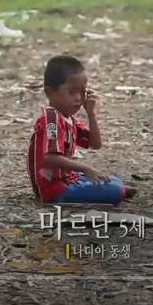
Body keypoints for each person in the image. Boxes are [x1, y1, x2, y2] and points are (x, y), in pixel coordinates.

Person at [27, 55, 137, 205]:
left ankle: (115, 188)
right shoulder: (51, 119)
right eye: (72, 92)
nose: (78, 98)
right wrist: (86, 168)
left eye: (82, 92)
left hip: (67, 178)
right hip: (55, 189)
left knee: (111, 179)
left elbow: (95, 143)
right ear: (50, 92)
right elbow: (49, 158)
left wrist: (91, 114)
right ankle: (118, 192)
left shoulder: (69, 120)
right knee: (114, 189)